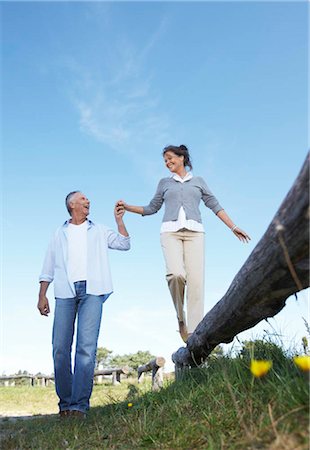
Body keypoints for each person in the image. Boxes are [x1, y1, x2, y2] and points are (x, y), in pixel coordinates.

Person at [117, 145, 250, 343]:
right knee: (176, 275)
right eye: (165, 161)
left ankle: (194, 335)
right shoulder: (164, 183)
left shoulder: (198, 181)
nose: (167, 163)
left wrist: (233, 227)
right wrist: (128, 207)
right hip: (170, 233)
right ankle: (181, 318)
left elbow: (215, 205)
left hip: (195, 233)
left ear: (182, 158)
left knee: (196, 284)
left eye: (170, 158)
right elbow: (152, 208)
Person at [37, 191, 130, 418]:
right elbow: (48, 265)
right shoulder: (59, 233)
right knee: (60, 348)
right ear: (71, 204)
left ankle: (79, 406)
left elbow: (124, 244)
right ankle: (65, 404)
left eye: (88, 199)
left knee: (85, 349)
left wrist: (119, 221)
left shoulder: (98, 229)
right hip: (65, 293)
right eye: (82, 199)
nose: (88, 201)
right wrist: (42, 295)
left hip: (93, 291)